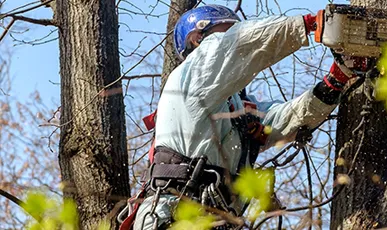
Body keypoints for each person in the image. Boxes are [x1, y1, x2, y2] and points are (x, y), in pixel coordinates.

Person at [129, 4, 363, 230]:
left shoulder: (234, 109)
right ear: (197, 39)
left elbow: (284, 120)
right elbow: (239, 45)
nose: (235, 35)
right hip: (174, 214)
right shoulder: (190, 77)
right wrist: (311, 24)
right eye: (226, 31)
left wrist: (338, 77)